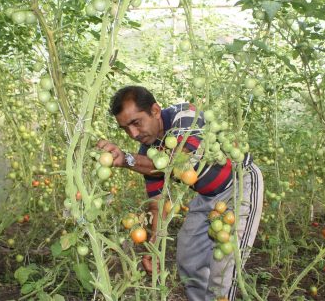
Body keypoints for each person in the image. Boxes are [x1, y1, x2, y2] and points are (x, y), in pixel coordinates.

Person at [97, 85, 264, 301]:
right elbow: (158, 203)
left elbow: (177, 162)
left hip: (240, 185)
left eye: (136, 123)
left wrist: (127, 160)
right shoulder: (146, 153)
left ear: (155, 110)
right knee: (188, 260)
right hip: (207, 196)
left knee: (225, 268)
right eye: (125, 129)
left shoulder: (185, 115)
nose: (133, 134)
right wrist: (154, 248)